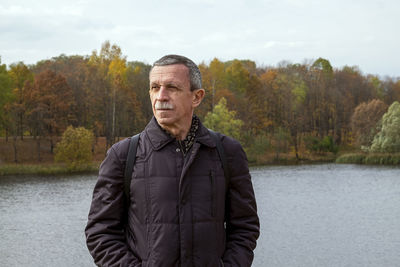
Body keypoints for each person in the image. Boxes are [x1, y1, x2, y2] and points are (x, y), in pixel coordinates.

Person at [85, 55, 260, 267]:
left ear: (196, 97)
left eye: (172, 88)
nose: (161, 96)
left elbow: (244, 227)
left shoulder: (227, 152)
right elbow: (101, 234)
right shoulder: (122, 156)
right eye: (154, 87)